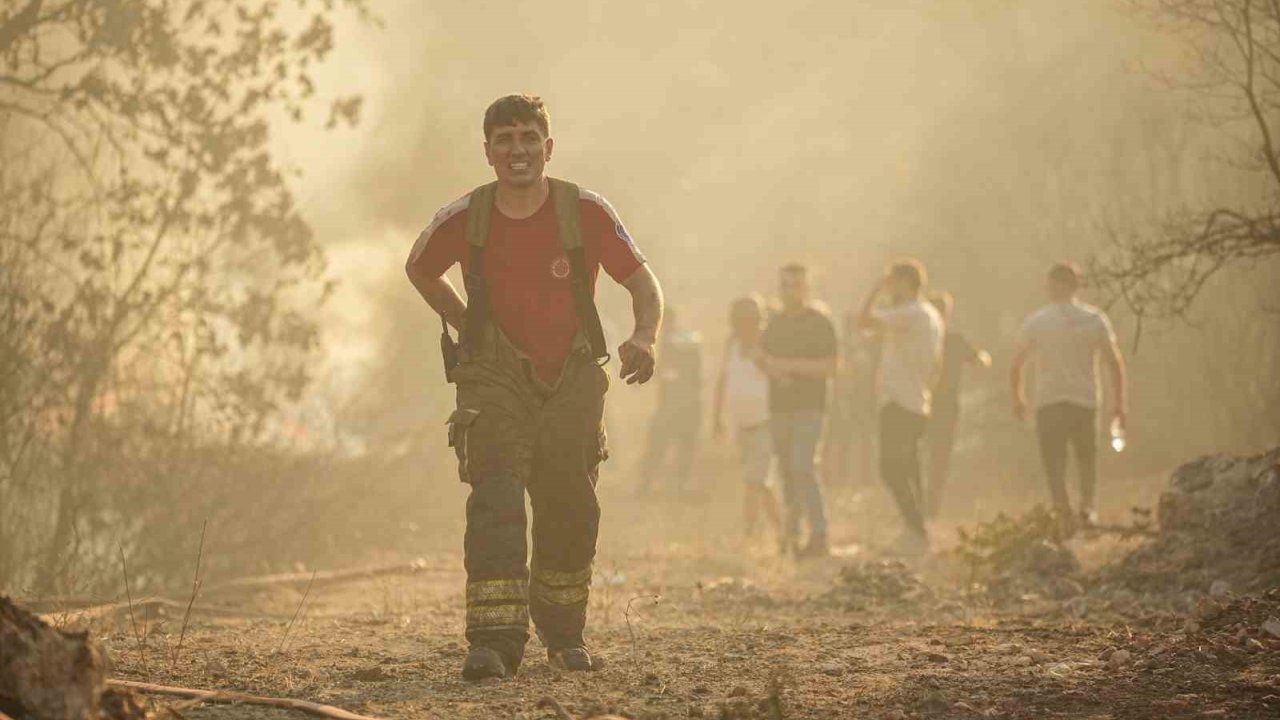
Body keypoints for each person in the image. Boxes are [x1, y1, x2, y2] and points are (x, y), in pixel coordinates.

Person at [405, 95, 663, 680]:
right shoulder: (464, 216)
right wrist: (465, 320)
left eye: (528, 138)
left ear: (548, 147)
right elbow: (419, 266)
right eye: (506, 140)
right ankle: (493, 644)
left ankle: (564, 633)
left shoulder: (587, 211)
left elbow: (644, 283)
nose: (518, 150)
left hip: (572, 376)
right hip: (492, 379)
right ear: (488, 151)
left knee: (570, 502)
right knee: (495, 501)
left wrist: (645, 336)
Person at [1010, 262, 1127, 529]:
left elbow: (1017, 363)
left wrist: (1018, 398)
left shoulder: (1038, 321)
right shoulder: (1094, 318)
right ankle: (1087, 508)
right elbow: (1114, 363)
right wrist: (1120, 402)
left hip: (1050, 400)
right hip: (1084, 399)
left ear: (1054, 285)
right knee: (1086, 456)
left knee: (1054, 459)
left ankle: (1063, 510)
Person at [856, 260, 943, 555]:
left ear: (905, 282)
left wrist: (875, 289)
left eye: (893, 282)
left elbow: (863, 321)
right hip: (916, 400)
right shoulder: (928, 314)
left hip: (900, 402)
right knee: (909, 468)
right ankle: (916, 530)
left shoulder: (911, 312)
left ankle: (916, 529)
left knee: (891, 469)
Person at [761, 263, 838, 558]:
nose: (790, 291)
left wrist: (790, 367)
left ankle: (819, 534)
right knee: (787, 472)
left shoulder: (820, 322)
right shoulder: (776, 323)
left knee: (804, 467)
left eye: (796, 285)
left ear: (806, 288)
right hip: (779, 407)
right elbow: (764, 357)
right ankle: (793, 534)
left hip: (810, 407)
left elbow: (831, 367)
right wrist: (770, 368)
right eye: (785, 285)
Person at [712, 296, 783, 546]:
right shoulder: (731, 344)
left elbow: (782, 378)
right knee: (761, 483)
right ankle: (783, 532)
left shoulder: (770, 343)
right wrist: (717, 418)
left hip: (766, 421)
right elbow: (722, 381)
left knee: (755, 481)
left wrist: (763, 360)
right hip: (741, 423)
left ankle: (749, 536)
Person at [925, 291, 991, 519]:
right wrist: (983, 357)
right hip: (945, 406)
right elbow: (980, 361)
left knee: (922, 455)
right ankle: (930, 505)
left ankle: (923, 504)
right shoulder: (954, 340)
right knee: (939, 457)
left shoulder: (922, 339)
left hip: (920, 403)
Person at [637, 307, 704, 497]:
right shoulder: (687, 339)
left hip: (675, 404)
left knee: (658, 446)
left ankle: (647, 486)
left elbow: (672, 373)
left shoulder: (670, 341)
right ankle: (672, 486)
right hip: (686, 403)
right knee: (680, 447)